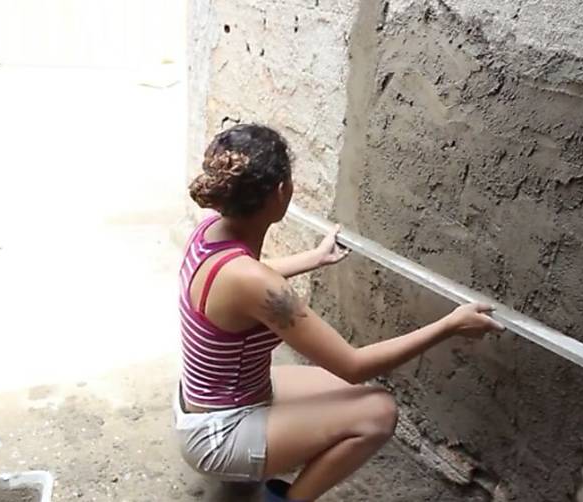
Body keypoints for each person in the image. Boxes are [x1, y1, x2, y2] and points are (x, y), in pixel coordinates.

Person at [174, 123, 504, 501]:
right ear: (282, 191)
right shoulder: (253, 282)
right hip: (217, 436)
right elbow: (354, 365)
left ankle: (258, 457)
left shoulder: (210, 232)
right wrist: (450, 325)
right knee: (378, 412)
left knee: (345, 393)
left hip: (210, 402)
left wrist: (314, 258)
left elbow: (242, 282)